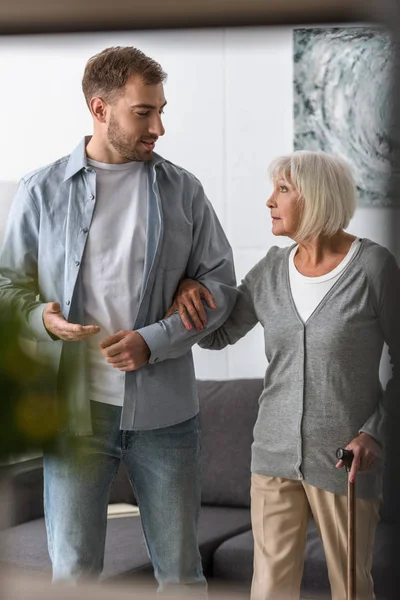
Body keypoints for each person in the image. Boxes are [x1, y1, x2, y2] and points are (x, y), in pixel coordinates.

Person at [0, 46, 237, 593]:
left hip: (169, 420)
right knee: (74, 575)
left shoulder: (184, 191)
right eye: (144, 112)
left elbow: (221, 288)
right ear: (99, 107)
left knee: (182, 576)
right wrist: (42, 318)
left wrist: (153, 342)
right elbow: (7, 287)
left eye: (161, 110)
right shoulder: (41, 191)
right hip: (75, 416)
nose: (159, 126)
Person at [167, 150, 400, 600]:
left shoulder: (373, 267)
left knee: (351, 587)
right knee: (270, 589)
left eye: (283, 190)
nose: (269, 201)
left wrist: (376, 433)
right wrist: (187, 287)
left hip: (346, 465)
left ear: (314, 197)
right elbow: (217, 336)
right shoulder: (271, 270)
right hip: (272, 458)